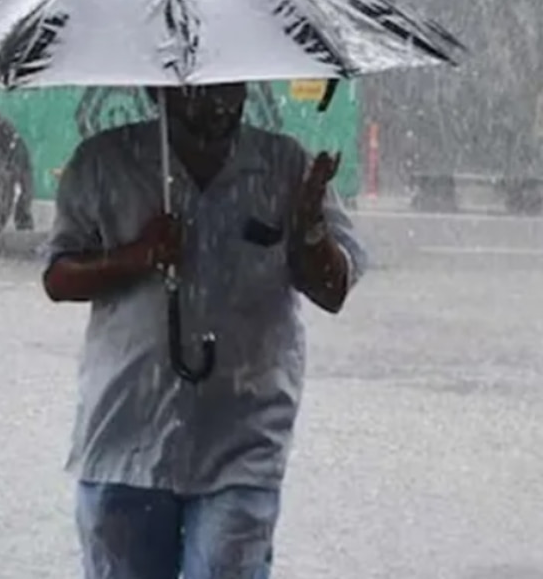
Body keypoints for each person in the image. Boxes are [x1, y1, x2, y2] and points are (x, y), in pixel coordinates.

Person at [43, 82, 368, 579]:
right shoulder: (103, 162)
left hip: (241, 438)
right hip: (124, 434)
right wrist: (139, 255)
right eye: (197, 90)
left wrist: (309, 229)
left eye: (229, 85)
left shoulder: (284, 166)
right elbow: (59, 277)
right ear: (159, 90)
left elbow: (332, 289)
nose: (218, 99)